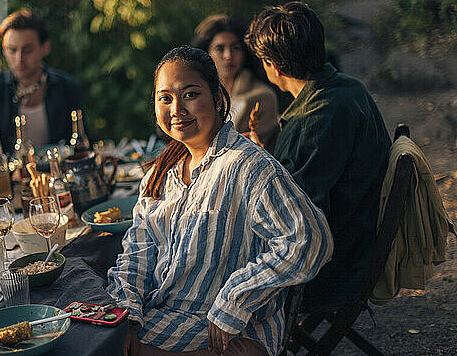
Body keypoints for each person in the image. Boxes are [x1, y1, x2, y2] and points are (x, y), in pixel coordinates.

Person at [106, 46, 333, 356]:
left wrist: (233, 302)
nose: (176, 110)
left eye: (190, 94)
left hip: (224, 331)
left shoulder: (247, 166)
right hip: (162, 319)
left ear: (217, 96)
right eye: (165, 98)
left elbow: (309, 239)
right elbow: (137, 255)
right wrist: (126, 316)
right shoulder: (160, 175)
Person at [245, 1, 392, 311]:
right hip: (355, 244)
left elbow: (290, 216)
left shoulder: (315, 118)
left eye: (263, 60)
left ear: (276, 67)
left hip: (332, 268)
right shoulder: (349, 88)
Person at [0, 9, 83, 159]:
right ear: (4, 49)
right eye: (12, 50)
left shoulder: (67, 88)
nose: (19, 58)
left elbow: (80, 145)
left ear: (45, 48)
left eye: (27, 50)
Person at [190, 15, 279, 151]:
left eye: (235, 48)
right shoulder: (196, 93)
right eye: (220, 49)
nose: (228, 56)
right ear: (206, 53)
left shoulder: (263, 97)